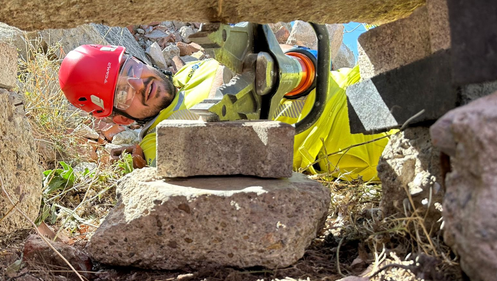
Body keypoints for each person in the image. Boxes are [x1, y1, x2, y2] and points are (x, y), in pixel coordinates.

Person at [58, 44, 391, 181]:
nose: (138, 82)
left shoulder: (190, 74)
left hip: (357, 79)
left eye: (130, 68)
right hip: (350, 133)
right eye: (121, 91)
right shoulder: (160, 145)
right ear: (117, 118)